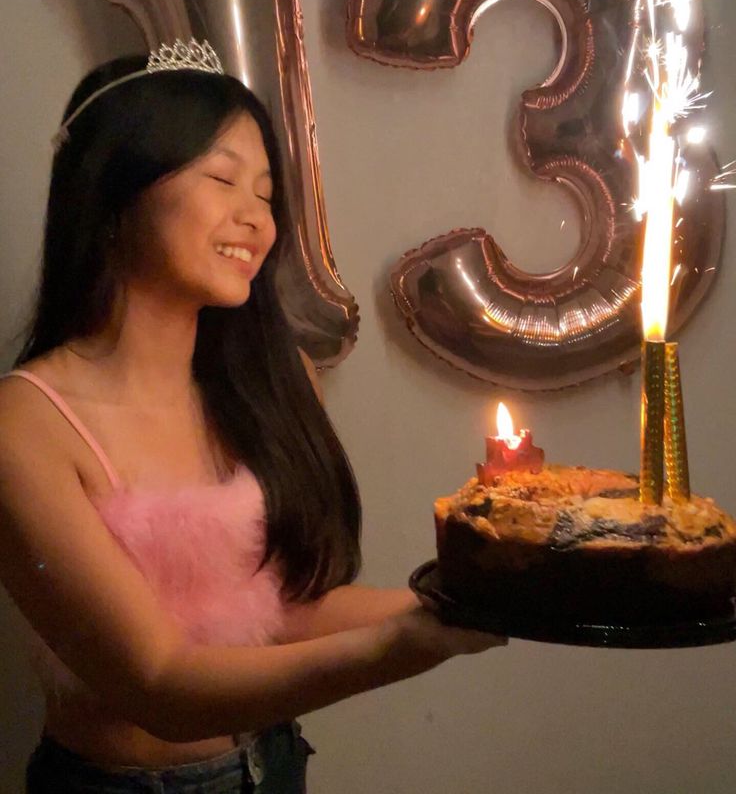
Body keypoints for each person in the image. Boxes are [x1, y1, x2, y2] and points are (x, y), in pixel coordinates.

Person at [0, 40, 506, 793]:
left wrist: (474, 598)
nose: (256, 220)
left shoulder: (272, 381)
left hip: (272, 768)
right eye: (222, 179)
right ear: (114, 194)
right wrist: (402, 646)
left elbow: (281, 613)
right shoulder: (27, 424)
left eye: (267, 194)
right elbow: (158, 685)